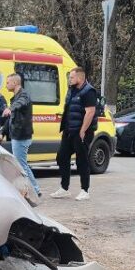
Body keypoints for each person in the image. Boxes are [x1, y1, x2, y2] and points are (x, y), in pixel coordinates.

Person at [50, 67, 98, 201]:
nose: (69, 79)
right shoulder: (71, 90)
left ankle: (85, 190)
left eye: (71, 77)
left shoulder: (89, 91)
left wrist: (83, 130)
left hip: (82, 132)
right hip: (69, 130)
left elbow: (90, 112)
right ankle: (64, 188)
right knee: (61, 157)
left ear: (80, 78)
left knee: (81, 160)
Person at [1, 73, 39, 197]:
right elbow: (11, 118)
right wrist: (2, 132)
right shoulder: (16, 97)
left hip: (22, 135)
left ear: (15, 83)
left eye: (7, 82)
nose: (6, 85)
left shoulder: (23, 95)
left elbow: (20, 104)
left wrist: (10, 108)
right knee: (23, 164)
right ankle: (35, 189)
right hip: (17, 134)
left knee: (21, 165)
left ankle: (31, 191)